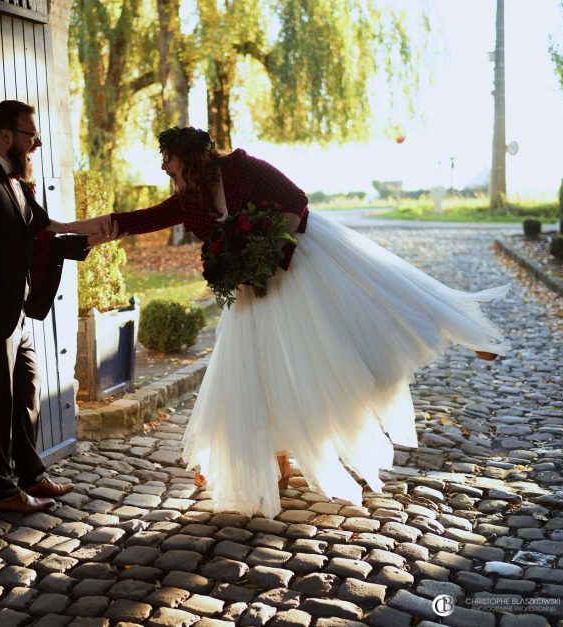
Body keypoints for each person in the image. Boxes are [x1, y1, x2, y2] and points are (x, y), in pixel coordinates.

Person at [51, 126, 510, 518]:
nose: (165, 170)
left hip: (300, 262)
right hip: (254, 288)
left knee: (368, 313)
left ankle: (456, 328)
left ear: (191, 158)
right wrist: (60, 228)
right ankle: (277, 457)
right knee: (263, 372)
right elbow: (127, 221)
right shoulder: (186, 201)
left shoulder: (242, 168)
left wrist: (276, 252)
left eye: (169, 161)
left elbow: (296, 200)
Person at [0, 100, 120, 514]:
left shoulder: (20, 184)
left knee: (26, 393)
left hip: (16, 316)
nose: (36, 144)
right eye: (29, 135)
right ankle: (1, 492)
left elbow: (47, 235)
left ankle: (30, 474)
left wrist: (96, 236)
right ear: (5, 136)